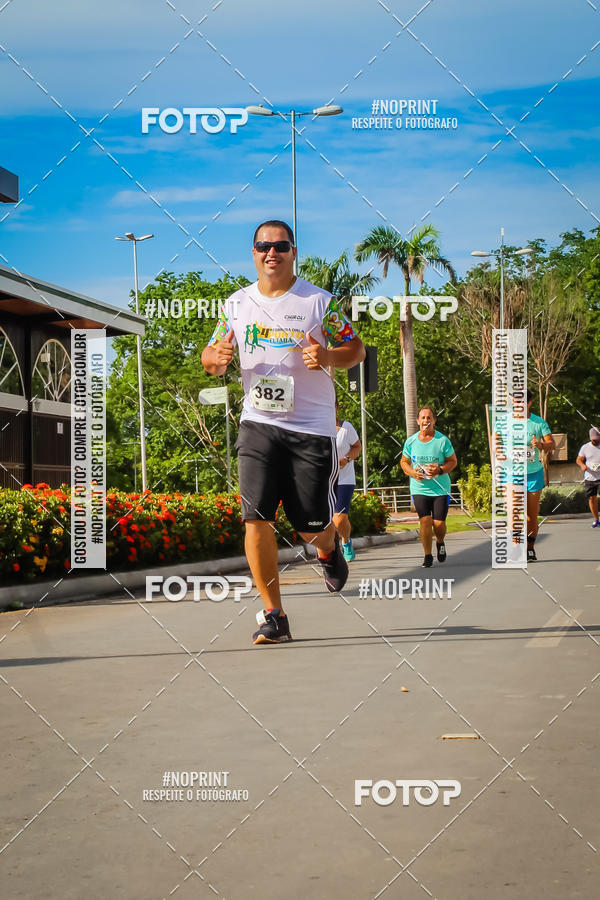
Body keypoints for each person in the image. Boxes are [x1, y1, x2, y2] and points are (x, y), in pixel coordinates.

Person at [201, 220, 365, 645]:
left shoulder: (318, 303)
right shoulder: (236, 305)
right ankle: (274, 615)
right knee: (255, 518)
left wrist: (328, 354)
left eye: (280, 246)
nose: (271, 253)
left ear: (294, 251)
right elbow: (213, 354)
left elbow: (356, 349)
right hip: (258, 423)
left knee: (309, 526)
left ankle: (327, 549)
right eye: (262, 246)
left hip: (310, 429)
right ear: (253, 253)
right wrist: (215, 358)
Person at [494, 389, 555, 561]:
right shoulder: (503, 421)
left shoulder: (538, 423)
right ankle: (516, 546)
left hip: (533, 474)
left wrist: (541, 444)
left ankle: (529, 547)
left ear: (529, 403)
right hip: (511, 473)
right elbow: (495, 439)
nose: (518, 404)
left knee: (531, 516)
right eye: (516, 400)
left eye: (522, 401)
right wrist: (498, 451)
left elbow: (552, 444)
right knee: (514, 511)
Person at [401, 407, 457, 568]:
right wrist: (412, 472)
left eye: (429, 418)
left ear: (434, 420)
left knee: (438, 524)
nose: (426, 421)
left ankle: (440, 541)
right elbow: (403, 462)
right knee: (425, 521)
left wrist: (439, 470)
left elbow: (453, 461)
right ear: (418, 421)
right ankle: (427, 555)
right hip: (419, 488)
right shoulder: (411, 441)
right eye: (423, 418)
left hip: (440, 488)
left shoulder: (442, 440)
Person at [333, 400, 362, 561]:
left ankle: (346, 542)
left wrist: (346, 459)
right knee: (330, 518)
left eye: (332, 406)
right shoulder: (316, 428)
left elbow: (357, 446)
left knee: (340, 518)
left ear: (337, 407)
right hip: (325, 480)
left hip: (345, 478)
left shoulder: (346, 428)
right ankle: (332, 548)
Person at [576, 426, 600, 527]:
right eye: (594, 439)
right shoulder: (585, 447)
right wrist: (582, 465)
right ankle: (596, 519)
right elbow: (579, 459)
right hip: (590, 477)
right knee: (591, 498)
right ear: (590, 438)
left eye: (597, 439)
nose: (596, 441)